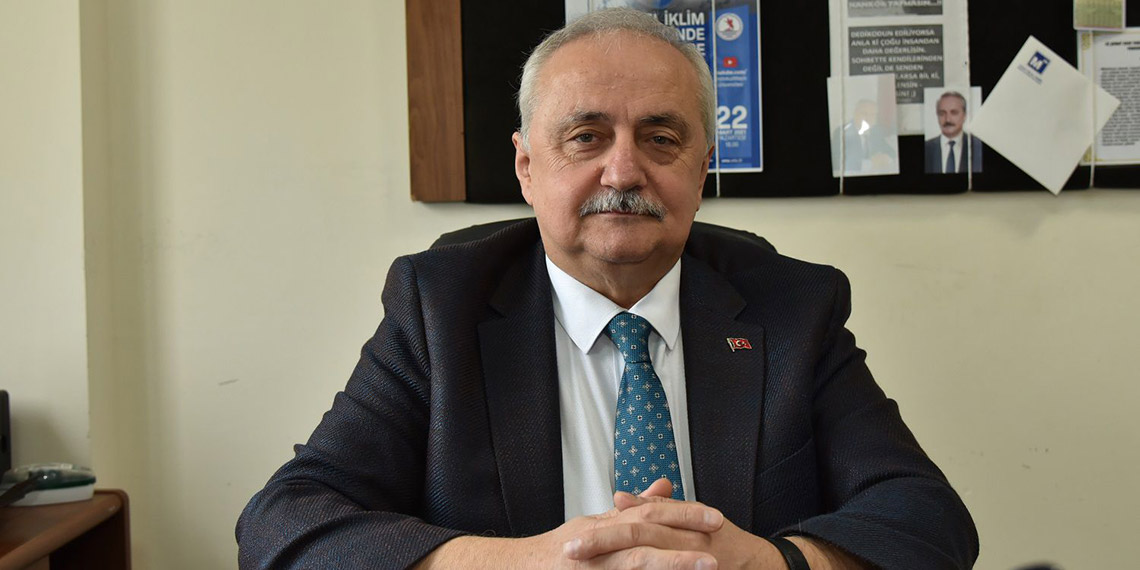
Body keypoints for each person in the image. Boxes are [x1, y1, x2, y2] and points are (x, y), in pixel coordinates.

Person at [237, 9, 978, 569]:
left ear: (701, 171)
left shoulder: (793, 309)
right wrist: (523, 563)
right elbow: (284, 523)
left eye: (661, 139)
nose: (623, 172)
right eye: (586, 137)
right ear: (527, 169)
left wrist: (770, 563)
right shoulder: (440, 307)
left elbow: (926, 518)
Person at [831, 99, 897, 176]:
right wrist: (870, 163)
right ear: (855, 114)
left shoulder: (875, 131)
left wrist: (886, 158)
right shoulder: (842, 132)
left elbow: (891, 151)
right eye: (864, 114)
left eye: (873, 115)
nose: (869, 118)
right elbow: (838, 162)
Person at [925, 91, 983, 174]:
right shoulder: (926, 148)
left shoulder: (978, 147)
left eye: (954, 113)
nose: (948, 119)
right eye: (942, 113)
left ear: (964, 116)